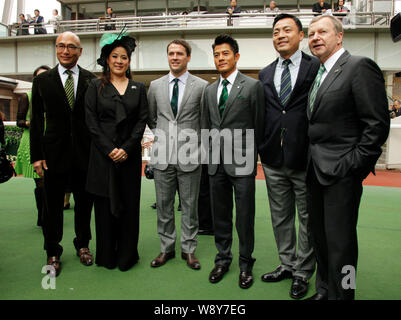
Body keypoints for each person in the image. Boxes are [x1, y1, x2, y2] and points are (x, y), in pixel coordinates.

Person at [306, 15, 390, 300]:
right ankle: (324, 289)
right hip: (315, 171)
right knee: (320, 240)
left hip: (341, 174)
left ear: (339, 37)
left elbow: (376, 126)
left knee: (342, 245)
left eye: (322, 32)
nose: (315, 37)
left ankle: (344, 294)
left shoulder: (359, 67)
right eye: (311, 33)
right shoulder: (319, 73)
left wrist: (352, 168)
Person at [258, 13, 319, 299]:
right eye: (276, 31)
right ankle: (287, 263)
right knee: (280, 216)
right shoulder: (265, 72)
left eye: (286, 30)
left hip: (306, 156)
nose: (280, 35)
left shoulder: (316, 67)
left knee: (307, 218)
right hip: (272, 158)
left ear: (300, 35)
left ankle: (303, 272)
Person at [30, 31, 96, 277]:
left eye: (71, 47)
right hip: (52, 155)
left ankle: (83, 245)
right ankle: (53, 251)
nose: (66, 51)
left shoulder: (92, 80)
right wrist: (37, 156)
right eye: (61, 46)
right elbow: (36, 120)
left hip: (85, 154)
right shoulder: (43, 80)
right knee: (52, 207)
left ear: (80, 52)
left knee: (84, 204)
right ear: (56, 49)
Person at [204, 34, 265, 289]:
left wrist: (251, 158)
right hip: (216, 164)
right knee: (220, 216)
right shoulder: (209, 90)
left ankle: (244, 262)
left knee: (244, 216)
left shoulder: (252, 87)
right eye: (217, 54)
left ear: (236, 56)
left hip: (242, 163)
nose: (221, 58)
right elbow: (206, 127)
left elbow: (259, 125)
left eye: (225, 53)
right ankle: (222, 259)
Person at [85, 34, 147, 271]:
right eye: (115, 57)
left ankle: (127, 256)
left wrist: (127, 148)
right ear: (107, 60)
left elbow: (142, 121)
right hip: (102, 157)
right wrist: (110, 149)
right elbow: (90, 122)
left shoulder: (138, 88)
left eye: (124, 57)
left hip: (129, 158)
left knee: (129, 205)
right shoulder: (95, 86)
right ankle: (107, 256)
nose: (120, 61)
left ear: (129, 61)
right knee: (103, 206)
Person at [147, 39, 207, 271]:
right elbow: (153, 118)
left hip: (191, 155)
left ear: (188, 57)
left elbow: (204, 120)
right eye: (171, 53)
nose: (174, 57)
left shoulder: (201, 86)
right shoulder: (155, 85)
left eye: (179, 53)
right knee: (163, 205)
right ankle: (166, 248)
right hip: (162, 155)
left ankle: (189, 249)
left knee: (190, 206)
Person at [14, 65, 51, 227]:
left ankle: (50, 213)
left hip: (50, 141)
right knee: (40, 181)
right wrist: (34, 123)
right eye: (38, 77)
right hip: (31, 140)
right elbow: (19, 121)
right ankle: (42, 217)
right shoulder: (27, 96)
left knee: (51, 181)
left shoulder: (53, 96)